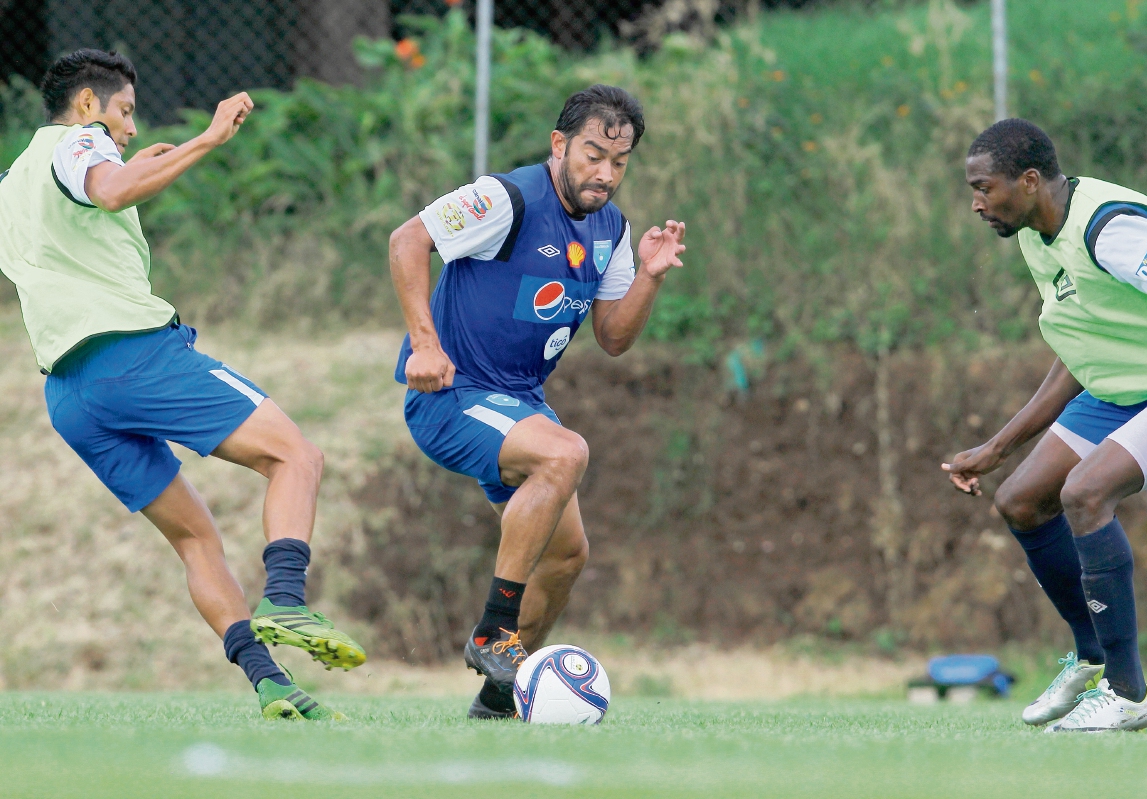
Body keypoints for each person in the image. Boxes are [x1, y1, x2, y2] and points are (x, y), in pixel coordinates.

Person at [0, 49, 365, 720]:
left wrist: (134, 167)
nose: (130, 129)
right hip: (131, 356)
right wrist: (207, 138)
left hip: (70, 394)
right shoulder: (81, 141)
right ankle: (285, 599)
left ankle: (271, 684)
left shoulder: (13, 178)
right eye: (125, 113)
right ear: (87, 104)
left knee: (196, 539)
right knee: (297, 456)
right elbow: (107, 190)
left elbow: (81, 214)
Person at [389, 85, 686, 719]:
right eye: (591, 155)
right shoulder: (506, 198)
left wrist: (651, 277)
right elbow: (407, 241)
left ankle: (498, 699)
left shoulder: (612, 229)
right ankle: (493, 631)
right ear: (559, 146)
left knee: (567, 556)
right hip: (451, 393)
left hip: (518, 402)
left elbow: (613, 338)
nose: (604, 174)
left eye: (619, 161)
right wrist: (424, 345)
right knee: (566, 452)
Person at [944, 118, 1147, 732]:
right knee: (1022, 501)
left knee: (1086, 492)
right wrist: (1000, 446)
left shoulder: (1109, 230)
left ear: (1029, 181)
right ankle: (1091, 656)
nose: (977, 204)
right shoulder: (1037, 230)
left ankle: (1128, 691)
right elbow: (1082, 346)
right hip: (1123, 386)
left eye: (985, 188)